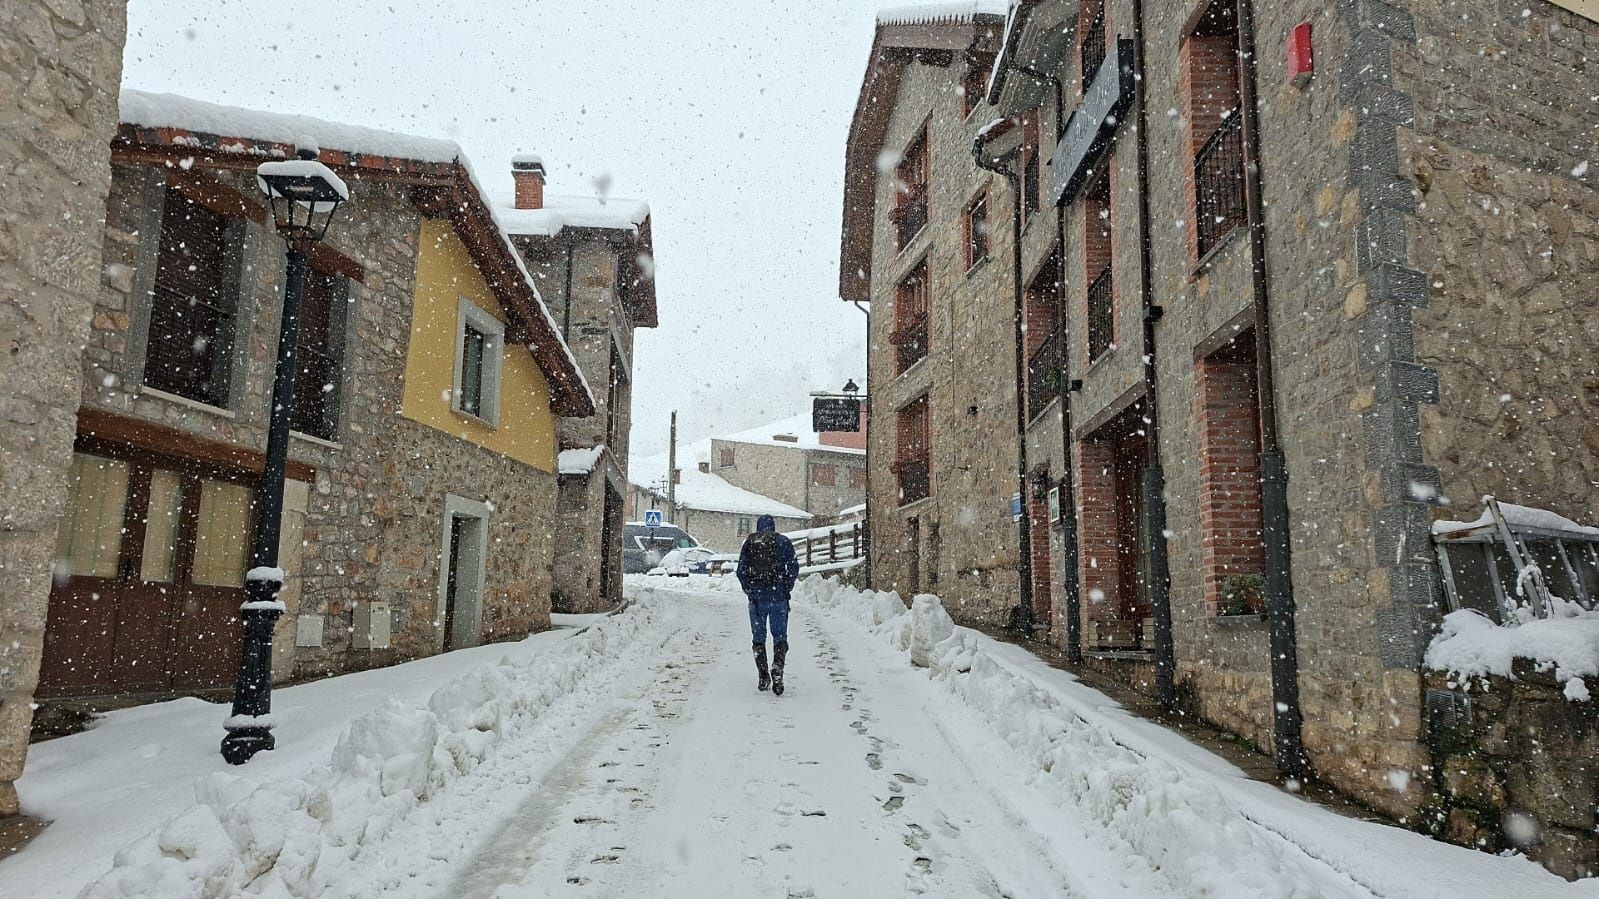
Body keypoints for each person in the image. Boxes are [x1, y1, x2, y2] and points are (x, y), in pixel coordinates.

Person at [736, 514, 800, 695]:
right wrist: (786, 586)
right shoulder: (783, 542)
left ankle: (763, 675)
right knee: (780, 636)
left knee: (758, 638)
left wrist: (749, 589)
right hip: (778, 597)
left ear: (758, 527)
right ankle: (778, 666)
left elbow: (741, 571)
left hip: (757, 600)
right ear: (773, 526)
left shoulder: (750, 543)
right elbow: (794, 567)